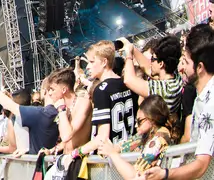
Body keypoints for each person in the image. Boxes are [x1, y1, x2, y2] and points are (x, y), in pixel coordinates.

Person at [145, 24, 214, 180]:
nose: (181, 69)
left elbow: (201, 164)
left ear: (200, 67)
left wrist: (165, 174)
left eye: (186, 62)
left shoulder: (209, 104)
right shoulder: (203, 95)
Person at [78, 40, 137, 156]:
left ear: (104, 62)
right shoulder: (127, 83)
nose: (88, 67)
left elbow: (102, 137)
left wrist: (76, 153)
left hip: (109, 160)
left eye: (91, 62)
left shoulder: (101, 90)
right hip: (128, 154)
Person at [97, 94, 173, 179]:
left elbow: (134, 176)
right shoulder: (146, 134)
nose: (136, 125)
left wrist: (112, 154)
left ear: (152, 119)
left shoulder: (158, 140)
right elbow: (124, 146)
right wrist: (108, 149)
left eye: (140, 121)